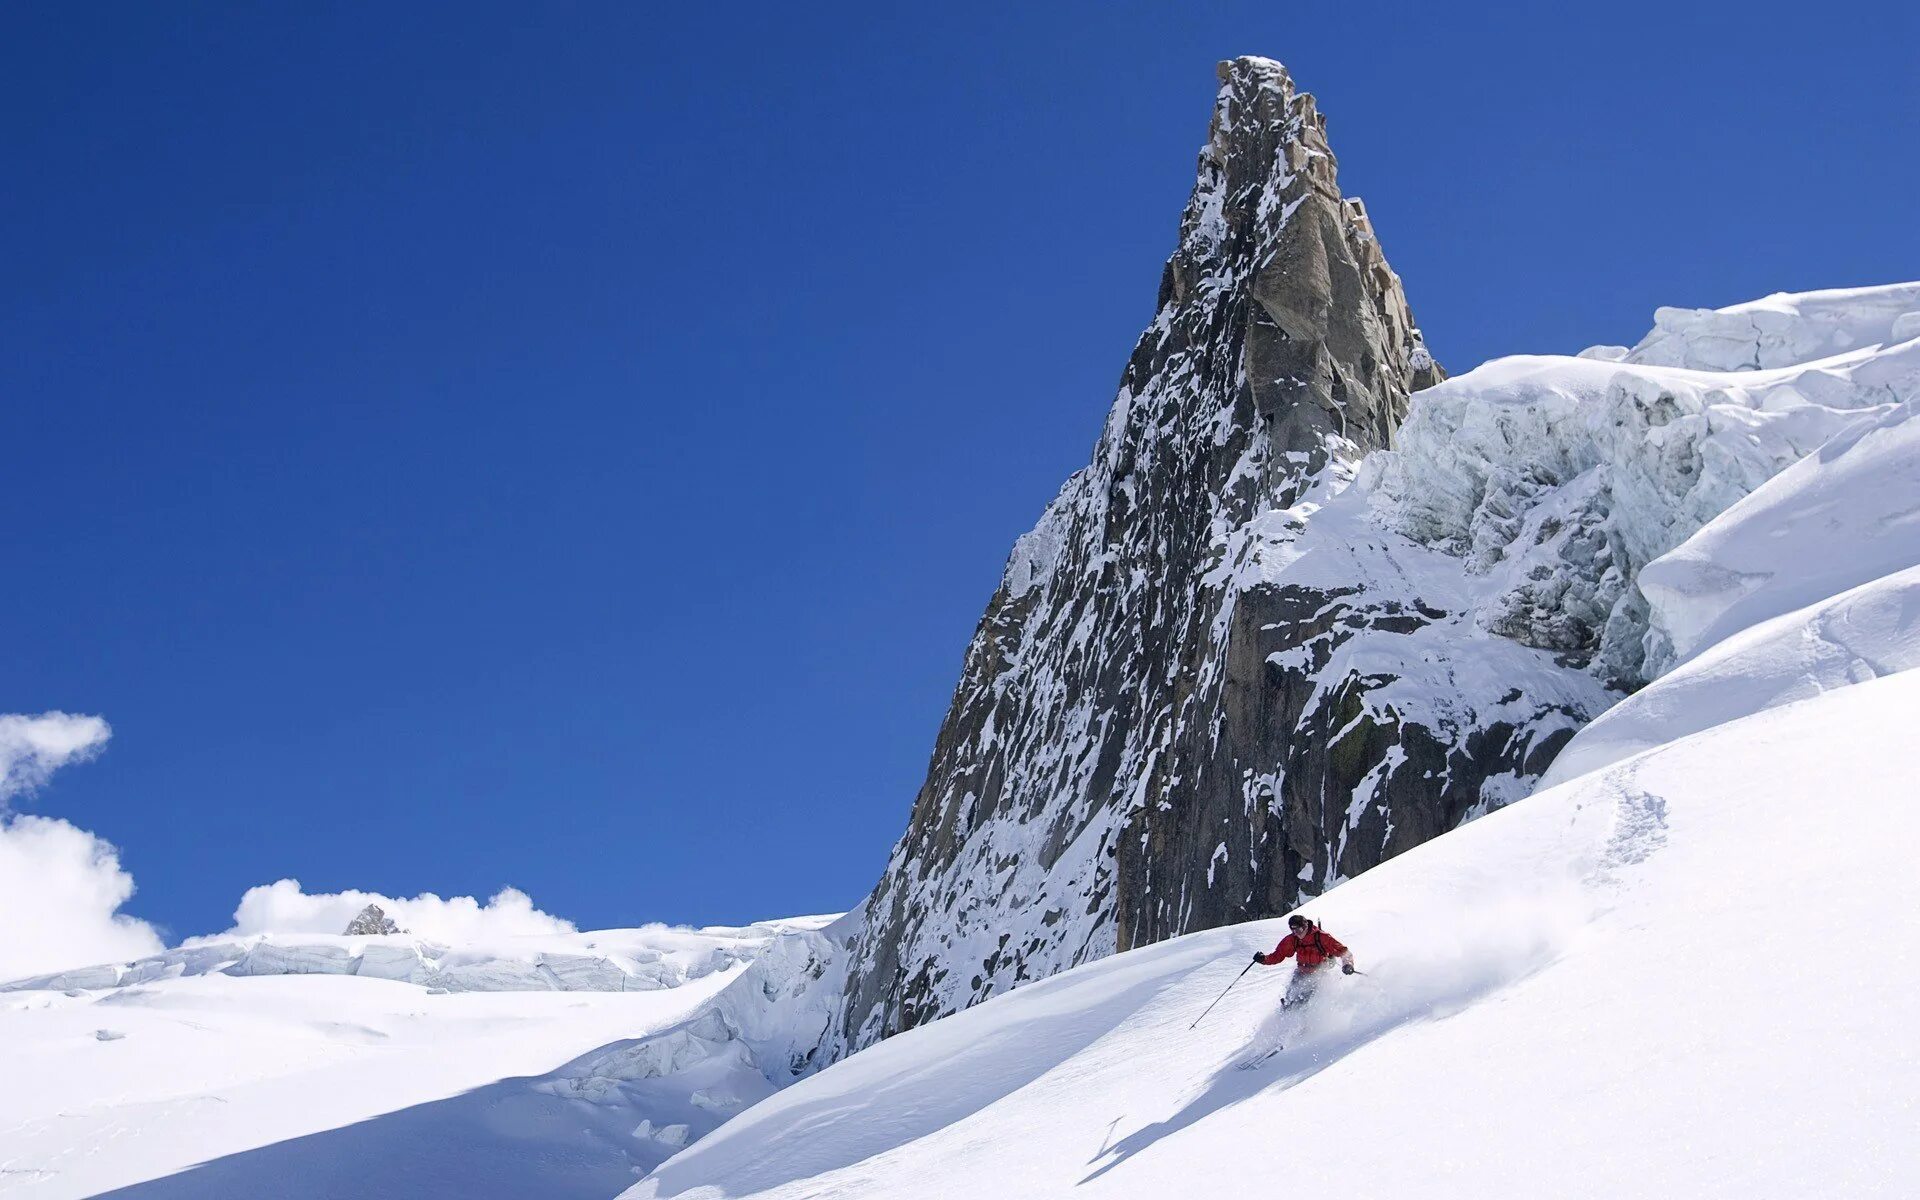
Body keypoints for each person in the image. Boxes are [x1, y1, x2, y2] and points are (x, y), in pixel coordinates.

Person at [1253, 913, 1355, 1008]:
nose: (1296, 933)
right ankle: (1286, 1012)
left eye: (1299, 930)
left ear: (1306, 926)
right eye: (1293, 930)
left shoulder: (1322, 937)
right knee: (1289, 1001)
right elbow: (1278, 955)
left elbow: (1344, 952)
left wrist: (1348, 964)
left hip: (1318, 974)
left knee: (1304, 1001)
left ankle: (1306, 1020)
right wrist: (1263, 959)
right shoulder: (1292, 939)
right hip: (1300, 973)